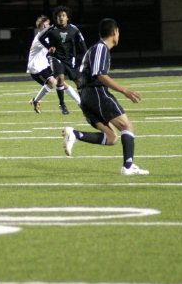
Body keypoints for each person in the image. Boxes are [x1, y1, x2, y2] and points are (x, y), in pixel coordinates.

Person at [62, 17, 149, 176]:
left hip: (87, 96)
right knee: (126, 126)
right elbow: (100, 75)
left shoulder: (96, 49)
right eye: (118, 32)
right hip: (96, 93)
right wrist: (125, 91)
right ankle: (128, 167)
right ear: (114, 32)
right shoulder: (101, 48)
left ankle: (74, 134)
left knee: (111, 138)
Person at [39, 5, 86, 114]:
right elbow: (41, 38)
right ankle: (62, 104)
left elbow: (81, 42)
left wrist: (86, 54)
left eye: (63, 15)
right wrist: (49, 47)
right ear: (56, 18)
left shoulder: (74, 29)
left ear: (67, 17)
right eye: (59, 16)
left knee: (79, 82)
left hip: (70, 59)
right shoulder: (51, 29)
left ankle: (84, 104)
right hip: (56, 58)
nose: (61, 17)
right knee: (60, 79)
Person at [26, 14, 64, 113]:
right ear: (40, 28)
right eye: (45, 26)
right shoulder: (39, 38)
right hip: (36, 67)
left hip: (43, 65)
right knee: (53, 83)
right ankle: (36, 101)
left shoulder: (46, 36)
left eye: (48, 25)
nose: (47, 27)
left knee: (54, 84)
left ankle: (36, 101)